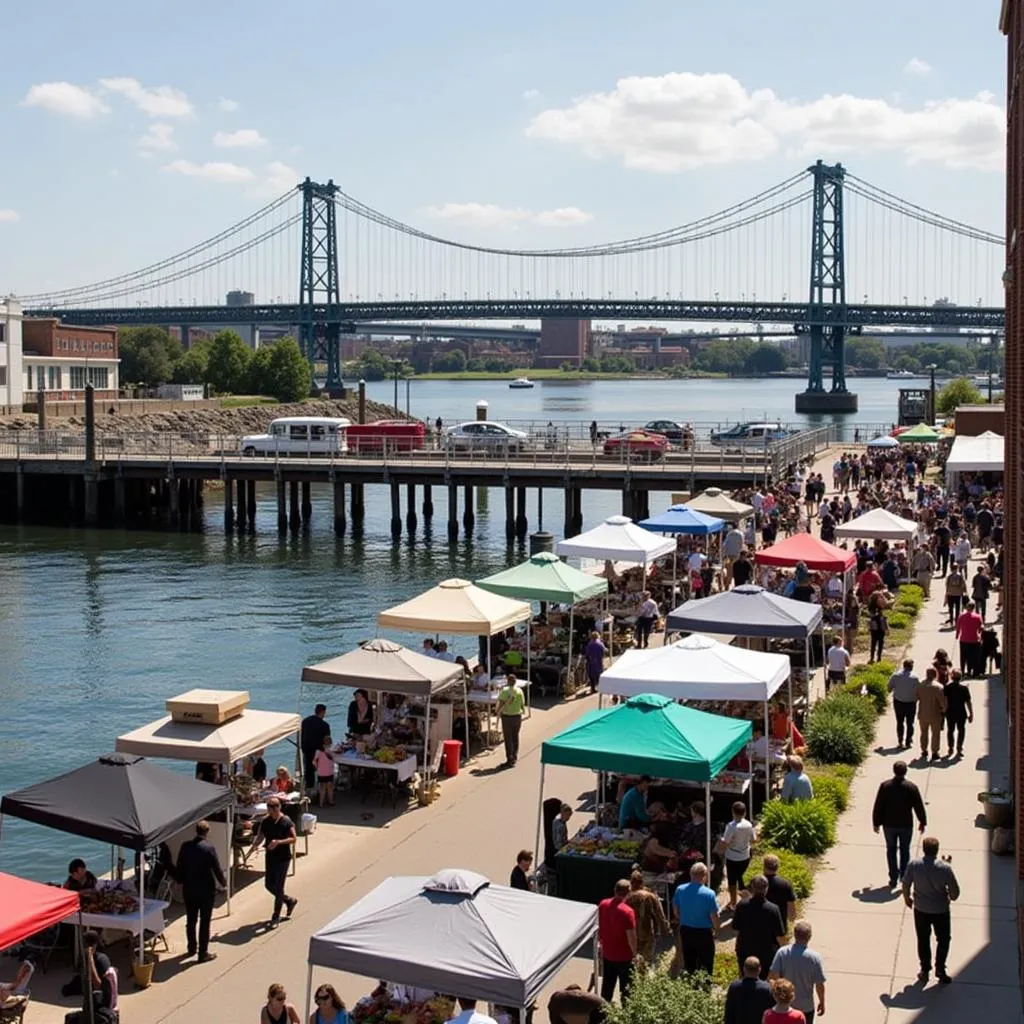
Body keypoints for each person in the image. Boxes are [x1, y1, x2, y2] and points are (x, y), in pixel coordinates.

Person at [902, 836, 960, 985]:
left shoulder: (914, 865)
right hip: (940, 910)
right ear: (937, 850)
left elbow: (906, 883)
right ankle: (940, 968)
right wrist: (950, 896)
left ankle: (924, 969)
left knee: (923, 939)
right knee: (943, 939)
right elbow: (955, 892)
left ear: (923, 849)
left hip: (921, 909)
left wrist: (907, 898)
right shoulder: (945, 868)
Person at [175, 819, 226, 962]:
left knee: (191, 920)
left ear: (196, 831)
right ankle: (202, 953)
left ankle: (191, 947)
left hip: (189, 888)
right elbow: (216, 868)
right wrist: (224, 883)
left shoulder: (185, 847)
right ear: (207, 832)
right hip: (206, 890)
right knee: (205, 922)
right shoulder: (209, 848)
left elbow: (180, 867)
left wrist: (180, 881)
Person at [871, 761, 926, 889]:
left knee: (891, 850)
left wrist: (876, 823)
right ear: (906, 771)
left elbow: (878, 805)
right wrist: (922, 821)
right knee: (905, 850)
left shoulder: (885, 786)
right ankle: (904, 877)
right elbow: (919, 806)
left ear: (893, 770)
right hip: (906, 825)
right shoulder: (911, 787)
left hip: (889, 825)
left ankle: (893, 878)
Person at [251, 796, 298, 926]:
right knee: (268, 885)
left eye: (272, 810)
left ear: (278, 808)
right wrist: (255, 844)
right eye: (269, 810)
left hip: (283, 858)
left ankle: (276, 915)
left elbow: (294, 838)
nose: (270, 813)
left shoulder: (286, 821)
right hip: (270, 856)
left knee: (278, 886)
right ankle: (289, 900)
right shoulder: (265, 821)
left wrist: (279, 842)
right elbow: (261, 835)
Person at [769, 921, 827, 1024]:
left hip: (784, 1006)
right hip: (806, 1007)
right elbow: (819, 984)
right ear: (809, 937)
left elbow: (774, 977)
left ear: (794, 935)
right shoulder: (814, 958)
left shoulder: (782, 952)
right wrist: (822, 1002)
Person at [732, 875, 786, 981]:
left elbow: (735, 929)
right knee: (764, 980)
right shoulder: (773, 909)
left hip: (744, 950)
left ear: (752, 888)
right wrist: (786, 951)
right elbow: (780, 935)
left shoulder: (742, 905)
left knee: (744, 978)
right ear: (766, 889)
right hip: (766, 953)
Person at [672, 862, 719, 977]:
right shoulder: (710, 894)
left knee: (689, 962)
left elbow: (675, 911)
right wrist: (717, 929)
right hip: (704, 933)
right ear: (704, 876)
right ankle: (705, 988)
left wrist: (683, 917)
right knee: (706, 964)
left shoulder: (680, 890)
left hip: (686, 931)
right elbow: (714, 917)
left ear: (690, 874)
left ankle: (691, 987)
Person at [597, 879, 637, 1002]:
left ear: (615, 890)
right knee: (627, 989)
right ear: (629, 892)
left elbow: (599, 924)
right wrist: (635, 953)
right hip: (624, 956)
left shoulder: (603, 904)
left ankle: (604, 1013)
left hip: (608, 953)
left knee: (607, 987)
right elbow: (631, 936)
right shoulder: (628, 912)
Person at [64, 931, 116, 1023]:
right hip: (88, 1002)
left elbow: (98, 986)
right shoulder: (84, 958)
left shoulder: (101, 960)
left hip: (100, 1004)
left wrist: (90, 961)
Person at [625, 870, 669, 965]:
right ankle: (643, 977)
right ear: (642, 882)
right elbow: (659, 915)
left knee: (632, 959)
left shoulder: (627, 897)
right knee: (646, 960)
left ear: (631, 883)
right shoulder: (650, 896)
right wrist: (665, 930)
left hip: (632, 932)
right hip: (647, 931)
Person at [718, 801, 756, 910]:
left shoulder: (731, 826)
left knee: (732, 880)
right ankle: (746, 900)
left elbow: (726, 842)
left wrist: (720, 847)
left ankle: (733, 903)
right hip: (745, 856)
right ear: (745, 813)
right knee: (741, 878)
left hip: (732, 857)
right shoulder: (748, 824)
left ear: (733, 812)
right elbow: (753, 840)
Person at [724, 957, 774, 1024]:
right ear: (759, 969)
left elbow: (729, 1012)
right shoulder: (767, 988)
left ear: (744, 969)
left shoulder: (734, 987)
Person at [887, 659, 920, 749]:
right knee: (910, 723)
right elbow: (919, 691)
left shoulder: (896, 675)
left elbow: (889, 688)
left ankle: (900, 741)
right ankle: (908, 742)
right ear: (911, 667)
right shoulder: (915, 678)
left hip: (899, 702)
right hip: (911, 703)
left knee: (900, 722)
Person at [916, 668, 948, 761]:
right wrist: (944, 710)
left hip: (923, 713)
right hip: (935, 714)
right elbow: (943, 702)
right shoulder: (938, 687)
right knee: (935, 734)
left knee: (923, 732)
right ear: (935, 675)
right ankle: (934, 752)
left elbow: (916, 697)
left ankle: (924, 750)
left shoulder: (920, 685)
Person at [496, 673, 525, 768]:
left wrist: (497, 712)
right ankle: (514, 757)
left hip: (507, 717)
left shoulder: (505, 691)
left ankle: (509, 759)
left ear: (507, 681)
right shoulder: (520, 691)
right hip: (517, 716)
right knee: (515, 737)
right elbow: (522, 704)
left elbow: (501, 703)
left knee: (508, 739)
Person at [943, 669, 973, 758]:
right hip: (961, 713)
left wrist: (944, 711)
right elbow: (968, 702)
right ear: (960, 678)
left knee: (950, 730)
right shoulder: (964, 689)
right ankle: (959, 748)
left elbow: (945, 701)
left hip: (950, 712)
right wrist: (971, 713)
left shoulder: (947, 688)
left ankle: (950, 748)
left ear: (952, 677)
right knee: (961, 730)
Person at [301, 704, 331, 792]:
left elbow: (302, 735)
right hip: (319, 750)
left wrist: (302, 747)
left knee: (308, 769)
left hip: (307, 748)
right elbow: (327, 740)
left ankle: (309, 787)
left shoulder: (305, 721)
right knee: (322, 769)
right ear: (323, 712)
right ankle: (321, 787)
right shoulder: (325, 725)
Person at [763, 854, 797, 925]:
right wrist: (791, 918)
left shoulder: (757, 882)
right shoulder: (786, 884)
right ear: (778, 867)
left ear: (764, 866)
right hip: (780, 923)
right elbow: (792, 912)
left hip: (760, 923)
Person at [955, 601, 984, 678]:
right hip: (974, 639)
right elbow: (981, 628)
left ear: (967, 607)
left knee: (963, 657)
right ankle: (974, 672)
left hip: (964, 639)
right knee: (974, 657)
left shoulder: (961, 616)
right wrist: (980, 634)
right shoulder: (978, 617)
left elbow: (958, 627)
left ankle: (963, 672)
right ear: (973, 608)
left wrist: (957, 635)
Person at [314, 735, 336, 807]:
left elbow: (314, 761)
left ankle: (321, 803)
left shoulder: (318, 751)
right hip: (329, 771)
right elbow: (334, 759)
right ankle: (331, 801)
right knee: (330, 787)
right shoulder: (332, 750)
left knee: (322, 788)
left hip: (321, 772)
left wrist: (317, 767)